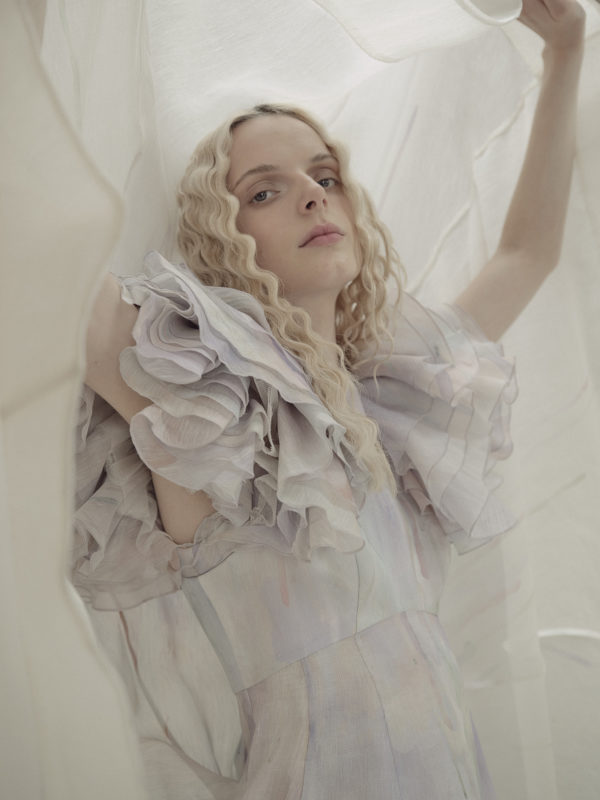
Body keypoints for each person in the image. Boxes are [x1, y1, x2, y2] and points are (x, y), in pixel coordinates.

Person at [75, 1, 586, 797]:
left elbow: (526, 254)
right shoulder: (202, 402)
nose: (314, 198)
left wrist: (566, 53)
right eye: (264, 192)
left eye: (324, 177)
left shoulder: (393, 405)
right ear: (220, 236)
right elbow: (55, 264)